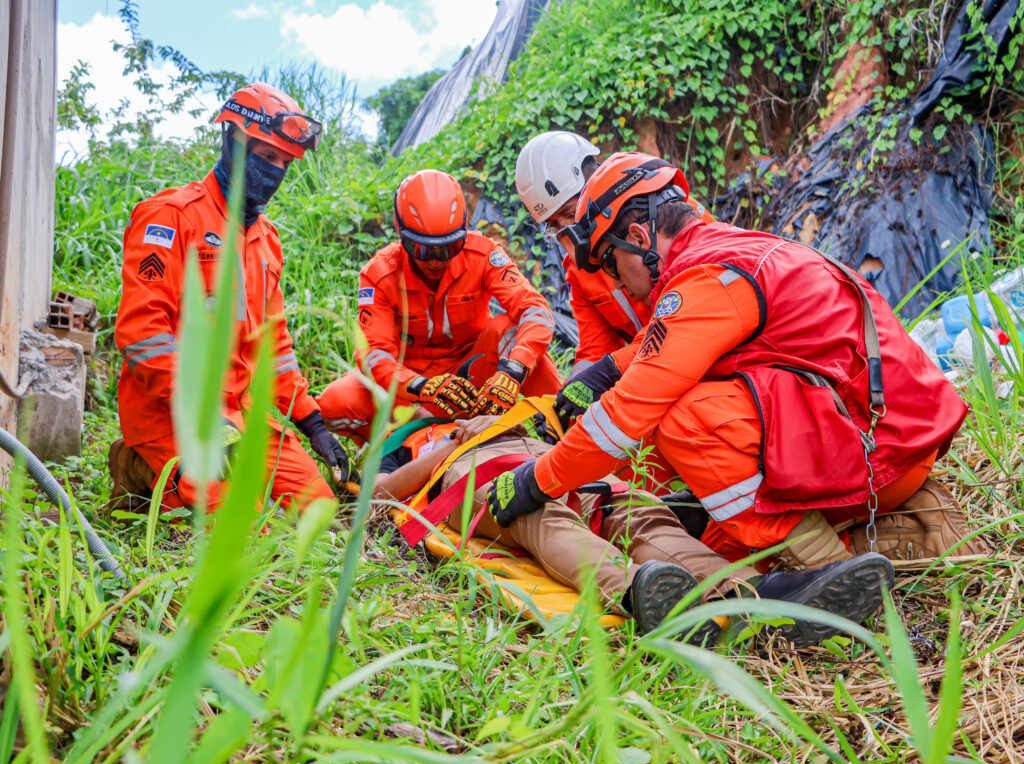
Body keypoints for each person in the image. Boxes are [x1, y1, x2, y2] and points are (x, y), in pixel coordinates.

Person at [487, 151, 983, 570]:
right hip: (890, 435)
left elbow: (626, 416)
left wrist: (538, 479)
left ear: (638, 238)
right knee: (715, 530)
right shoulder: (726, 251)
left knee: (683, 421)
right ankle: (909, 525)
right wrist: (606, 369)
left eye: (613, 265)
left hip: (879, 454)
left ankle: (822, 565)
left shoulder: (704, 280)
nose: (615, 282)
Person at [375, 413, 896, 646]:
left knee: (626, 513)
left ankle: (722, 595)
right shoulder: (438, 435)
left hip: (541, 470)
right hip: (519, 471)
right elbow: (382, 491)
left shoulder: (484, 425)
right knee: (579, 517)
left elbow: (384, 491)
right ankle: (682, 595)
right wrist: (452, 437)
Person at [111, 82, 352, 511]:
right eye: (266, 157)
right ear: (234, 141)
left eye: (284, 162)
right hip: (171, 414)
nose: (276, 171)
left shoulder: (266, 240)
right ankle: (142, 469)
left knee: (319, 508)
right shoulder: (171, 217)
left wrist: (312, 423)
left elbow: (273, 345)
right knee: (241, 516)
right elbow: (141, 334)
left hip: (238, 415)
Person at [318, 169, 562, 439]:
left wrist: (513, 371)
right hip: (408, 391)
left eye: (447, 248)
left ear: (463, 233)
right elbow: (374, 354)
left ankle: (562, 428)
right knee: (334, 404)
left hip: (472, 378)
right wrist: (420, 386)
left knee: (512, 328)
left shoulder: (483, 254)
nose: (435, 260)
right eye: (422, 249)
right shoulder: (378, 274)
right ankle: (391, 447)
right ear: (402, 235)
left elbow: (534, 308)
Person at [515, 132, 714, 379]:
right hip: (654, 372)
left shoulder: (668, 215)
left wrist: (611, 368)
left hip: (708, 359)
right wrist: (572, 392)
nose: (569, 230)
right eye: (555, 225)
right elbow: (594, 350)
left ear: (595, 181)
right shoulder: (579, 271)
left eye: (570, 213)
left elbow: (693, 314)